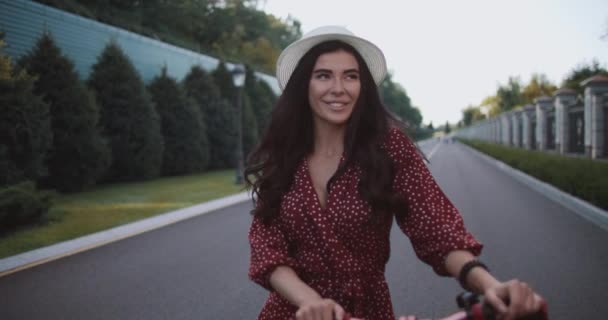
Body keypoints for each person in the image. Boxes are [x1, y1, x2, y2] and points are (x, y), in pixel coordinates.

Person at [245, 26, 544, 320]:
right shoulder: (284, 154)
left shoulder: (388, 147)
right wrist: (314, 305)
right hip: (294, 313)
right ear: (303, 85)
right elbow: (268, 249)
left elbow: (435, 228)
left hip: (368, 310)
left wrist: (488, 284)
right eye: (324, 75)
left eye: (351, 76)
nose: (339, 88)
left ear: (362, 87)